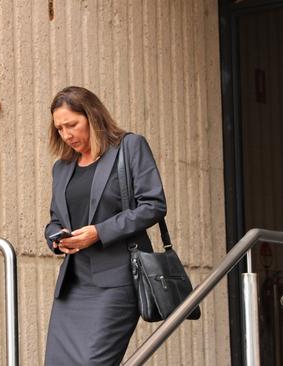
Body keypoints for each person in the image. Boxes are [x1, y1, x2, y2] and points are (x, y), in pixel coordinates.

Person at [44, 86, 167, 365]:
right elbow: (55, 219)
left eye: (72, 125)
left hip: (116, 282)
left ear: (92, 116)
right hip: (73, 284)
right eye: (60, 128)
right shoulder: (62, 167)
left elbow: (153, 205)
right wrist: (55, 236)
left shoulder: (129, 147)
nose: (66, 135)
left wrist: (99, 232)